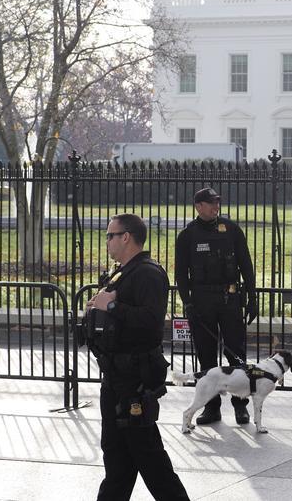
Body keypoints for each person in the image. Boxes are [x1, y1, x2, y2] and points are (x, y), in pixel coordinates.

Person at [86, 213, 189, 500]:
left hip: (134, 379)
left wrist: (113, 306)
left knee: (151, 461)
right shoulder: (123, 272)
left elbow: (151, 320)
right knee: (117, 460)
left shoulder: (148, 273)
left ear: (126, 237)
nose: (107, 241)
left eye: (110, 235)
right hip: (115, 376)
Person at [174, 187, 258, 426]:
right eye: (211, 203)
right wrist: (187, 302)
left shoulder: (231, 230)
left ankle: (241, 407)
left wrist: (252, 298)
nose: (216, 207)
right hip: (201, 302)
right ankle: (211, 409)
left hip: (229, 300)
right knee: (207, 357)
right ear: (198, 206)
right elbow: (181, 273)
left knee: (236, 354)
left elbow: (246, 266)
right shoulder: (188, 235)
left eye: (217, 203)